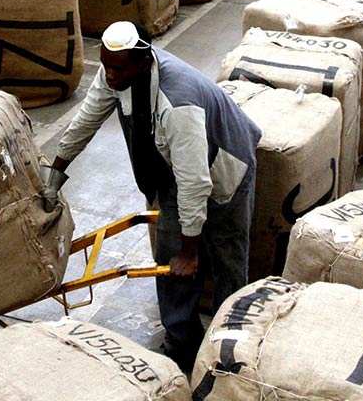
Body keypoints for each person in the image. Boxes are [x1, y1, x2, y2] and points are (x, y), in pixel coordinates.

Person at [43, 21, 261, 371]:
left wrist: (191, 254)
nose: (109, 75)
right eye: (105, 66)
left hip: (224, 163)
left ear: (145, 62)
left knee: (227, 259)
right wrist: (55, 173)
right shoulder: (116, 72)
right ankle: (181, 346)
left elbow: (196, 182)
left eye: (117, 68)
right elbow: (86, 119)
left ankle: (228, 350)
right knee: (170, 258)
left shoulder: (178, 103)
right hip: (175, 167)